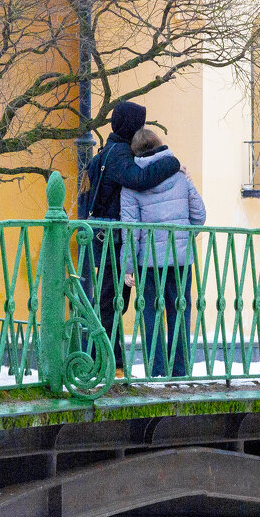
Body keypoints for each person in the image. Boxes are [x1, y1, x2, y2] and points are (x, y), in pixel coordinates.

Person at [79, 102, 181, 376]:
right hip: (114, 240)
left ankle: (103, 362)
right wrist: (171, 162)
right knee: (111, 302)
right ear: (131, 126)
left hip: (107, 236)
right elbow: (139, 178)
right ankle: (108, 365)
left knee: (112, 301)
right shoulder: (119, 154)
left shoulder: (107, 151)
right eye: (139, 124)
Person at [119, 127, 205, 378]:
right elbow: (199, 215)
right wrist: (183, 239)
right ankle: (180, 371)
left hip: (149, 263)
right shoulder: (179, 177)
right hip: (180, 261)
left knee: (151, 315)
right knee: (180, 311)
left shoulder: (132, 185)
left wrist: (129, 267)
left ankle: (156, 372)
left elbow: (131, 232)